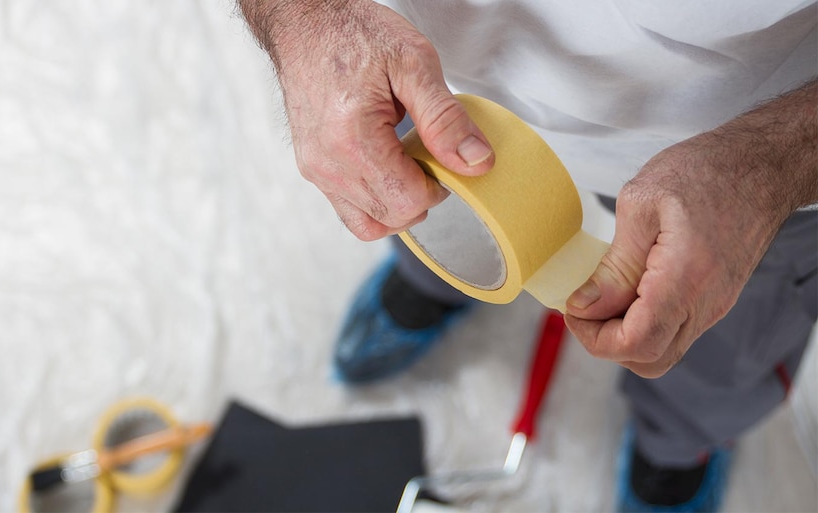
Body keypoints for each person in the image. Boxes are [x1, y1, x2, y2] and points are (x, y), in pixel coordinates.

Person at [236, 1, 818, 511]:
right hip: (441, 89)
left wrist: (770, 167)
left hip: (751, 148)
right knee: (423, 212)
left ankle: (678, 442)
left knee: (715, 339)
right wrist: (308, 18)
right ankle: (433, 285)